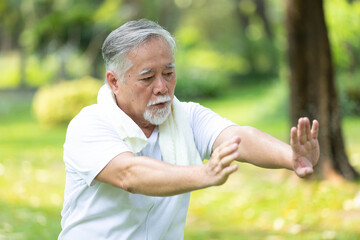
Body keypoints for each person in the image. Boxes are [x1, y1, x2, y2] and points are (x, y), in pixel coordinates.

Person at [58, 19, 320, 240]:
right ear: (114, 82)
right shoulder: (89, 124)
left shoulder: (187, 115)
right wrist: (204, 173)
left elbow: (238, 138)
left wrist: (291, 157)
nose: (162, 87)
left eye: (169, 73)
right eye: (148, 78)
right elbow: (130, 175)